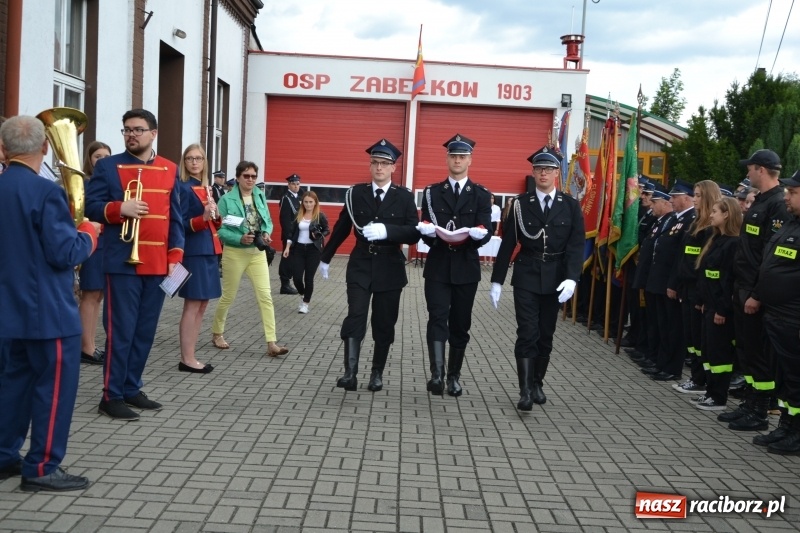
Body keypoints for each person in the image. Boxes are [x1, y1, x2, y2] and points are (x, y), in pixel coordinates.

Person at [0, 115, 99, 491]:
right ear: (44, 148)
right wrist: (90, 232)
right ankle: (41, 467)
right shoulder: (46, 193)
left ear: (3, 150)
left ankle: (5, 455)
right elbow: (65, 253)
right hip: (50, 313)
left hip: (9, 311)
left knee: (13, 385)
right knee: (55, 390)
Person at [85, 108, 185, 421]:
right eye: (127, 129)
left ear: (153, 133)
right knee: (121, 331)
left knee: (144, 332)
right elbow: (90, 205)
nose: (131, 134)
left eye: (138, 130)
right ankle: (110, 395)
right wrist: (119, 208)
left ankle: (131, 387)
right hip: (122, 263)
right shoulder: (108, 166)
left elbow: (176, 220)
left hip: (157, 264)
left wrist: (175, 259)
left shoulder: (170, 169)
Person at [319, 139, 419, 392]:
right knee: (356, 315)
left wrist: (388, 231)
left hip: (390, 265)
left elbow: (413, 233)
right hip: (361, 262)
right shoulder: (356, 194)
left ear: (393, 168)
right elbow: (343, 227)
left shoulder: (404, 196)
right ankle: (350, 373)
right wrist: (326, 256)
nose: (379, 168)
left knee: (384, 322)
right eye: (375, 162)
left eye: (385, 164)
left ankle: (377, 372)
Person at [489, 146, 584, 410]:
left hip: (556, 277)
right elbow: (508, 244)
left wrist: (572, 278)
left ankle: (538, 382)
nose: (543, 173)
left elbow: (576, 245)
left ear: (556, 173)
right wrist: (497, 279)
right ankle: (525, 390)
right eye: (539, 168)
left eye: (549, 169)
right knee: (527, 333)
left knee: (546, 335)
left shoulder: (570, 206)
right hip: (527, 275)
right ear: (533, 172)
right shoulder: (520, 204)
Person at [418, 134, 492, 396]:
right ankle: (436, 374)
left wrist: (480, 236)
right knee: (437, 317)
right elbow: (427, 227)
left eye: (462, 156)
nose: (457, 160)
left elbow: (487, 227)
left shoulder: (481, 194)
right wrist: (426, 231)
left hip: (466, 266)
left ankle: (454, 376)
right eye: (453, 156)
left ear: (470, 160)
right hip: (438, 265)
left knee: (460, 323)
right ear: (447, 159)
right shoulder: (432, 192)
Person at [722, 149, 789, 432]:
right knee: (747, 351)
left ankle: (760, 409)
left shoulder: (777, 205)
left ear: (760, 169)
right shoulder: (760, 201)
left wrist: (757, 294)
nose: (747, 174)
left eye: (749, 169)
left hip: (754, 291)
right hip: (742, 286)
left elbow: (770, 257)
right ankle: (750, 403)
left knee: (758, 354)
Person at [210, 161, 289, 357]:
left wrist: (267, 233)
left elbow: (268, 220)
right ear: (238, 178)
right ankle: (217, 332)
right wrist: (239, 238)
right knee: (228, 296)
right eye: (246, 176)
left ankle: (272, 342)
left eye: (254, 176)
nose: (251, 180)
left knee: (266, 297)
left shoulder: (259, 195)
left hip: (257, 253)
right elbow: (220, 231)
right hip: (235, 252)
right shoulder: (227, 200)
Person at [753, 170, 800, 454]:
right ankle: (786, 424)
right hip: (778, 315)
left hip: (793, 318)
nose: (786, 196)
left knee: (796, 379)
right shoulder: (791, 224)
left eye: (793, 193)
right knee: (785, 378)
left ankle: (797, 431)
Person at [643, 180, 696, 382]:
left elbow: (680, 257)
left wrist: (674, 284)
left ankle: (672, 368)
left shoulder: (691, 219)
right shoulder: (674, 218)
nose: (671, 200)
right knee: (663, 325)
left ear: (686, 198)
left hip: (671, 282)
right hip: (660, 280)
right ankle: (662, 363)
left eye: (674, 197)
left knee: (673, 328)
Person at [672, 180, 721, 395]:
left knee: (701, 339)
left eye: (699, 195)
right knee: (691, 337)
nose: (695, 199)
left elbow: (705, 264)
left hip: (699, 289)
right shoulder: (695, 222)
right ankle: (696, 377)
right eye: (695, 194)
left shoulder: (711, 227)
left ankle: (701, 380)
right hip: (687, 287)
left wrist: (699, 294)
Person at [177, 144, 221, 373]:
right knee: (193, 305)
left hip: (208, 248)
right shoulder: (183, 188)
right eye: (190, 158)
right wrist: (203, 218)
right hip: (193, 251)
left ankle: (190, 355)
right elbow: (179, 224)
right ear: (184, 162)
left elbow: (209, 221)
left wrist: (216, 217)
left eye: (199, 158)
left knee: (202, 305)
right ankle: (187, 358)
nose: (194, 162)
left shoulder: (206, 187)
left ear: (205, 162)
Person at [694, 197, 742, 411]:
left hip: (721, 310)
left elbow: (729, 281)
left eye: (715, 211)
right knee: (709, 351)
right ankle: (710, 391)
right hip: (710, 306)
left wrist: (722, 309)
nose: (711, 214)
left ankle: (718, 396)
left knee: (720, 354)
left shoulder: (733, 243)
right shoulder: (716, 239)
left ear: (727, 215)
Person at [78, 141, 112, 365]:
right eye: (97, 156)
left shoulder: (108, 181)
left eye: (106, 156)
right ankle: (86, 347)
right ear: (90, 159)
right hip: (93, 243)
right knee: (90, 295)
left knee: (98, 295)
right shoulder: (85, 182)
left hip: (107, 244)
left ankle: (89, 343)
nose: (101, 160)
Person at [282, 191, 330, 314]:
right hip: (298, 249)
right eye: (306, 202)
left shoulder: (320, 216)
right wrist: (287, 247)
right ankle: (304, 294)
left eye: (310, 202)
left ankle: (305, 303)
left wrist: (319, 234)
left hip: (313, 250)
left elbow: (327, 230)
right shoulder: (298, 215)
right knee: (297, 277)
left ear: (315, 203)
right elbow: (291, 232)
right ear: (302, 203)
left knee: (309, 278)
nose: (308, 204)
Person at [278, 174, 302, 295]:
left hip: (298, 234)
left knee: (294, 259)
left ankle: (290, 281)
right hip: (290, 235)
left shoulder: (299, 197)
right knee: (287, 259)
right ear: (289, 184)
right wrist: (288, 237)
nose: (296, 186)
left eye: (298, 184)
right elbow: (285, 219)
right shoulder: (286, 198)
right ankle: (285, 284)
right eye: (293, 184)